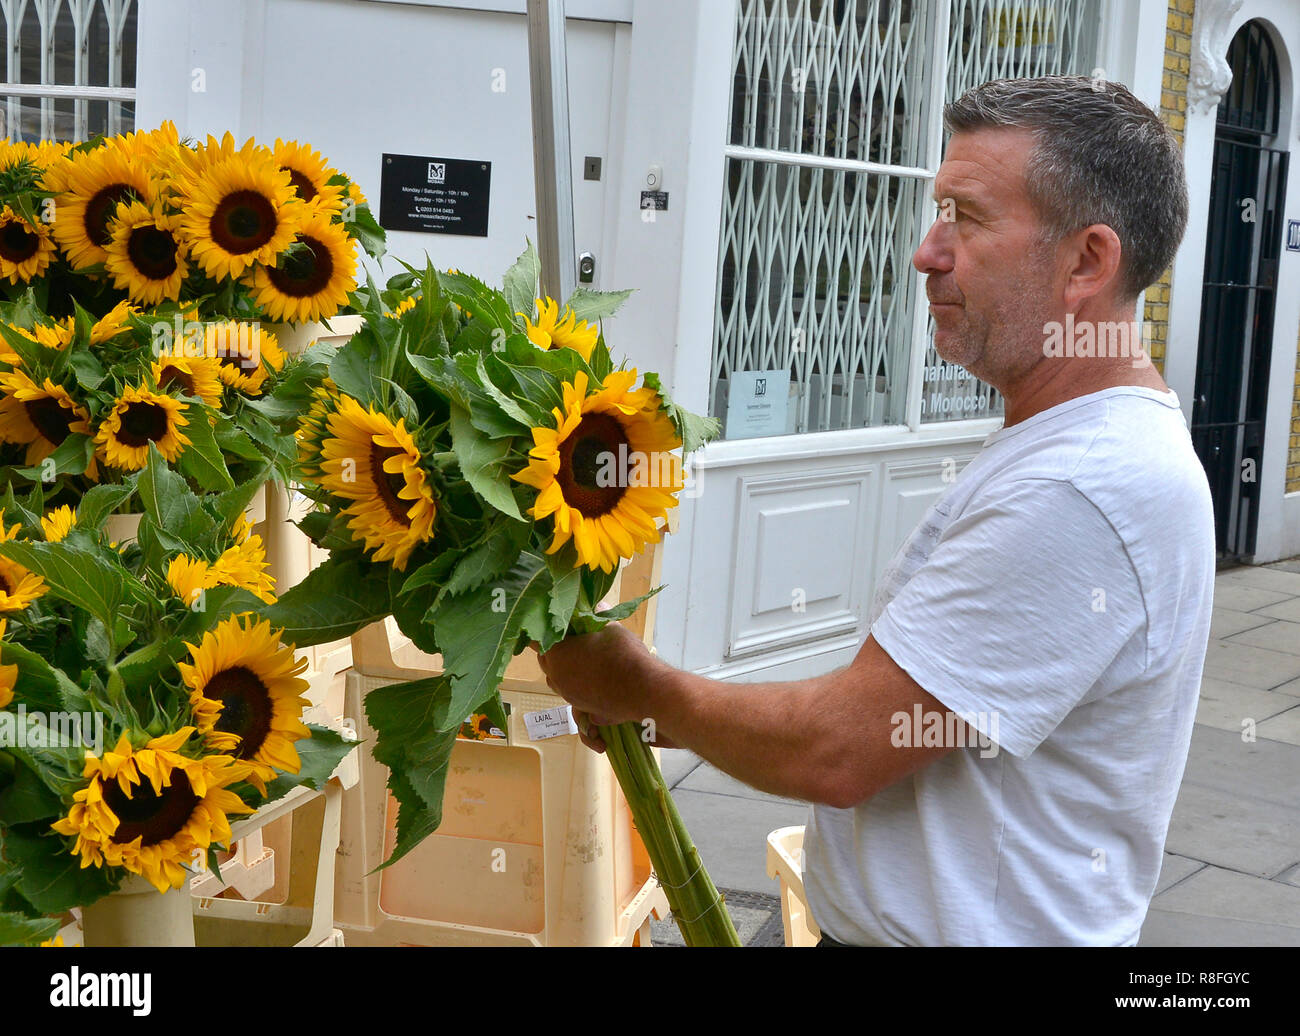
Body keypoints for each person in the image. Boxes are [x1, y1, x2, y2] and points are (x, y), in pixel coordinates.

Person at [536, 75, 1216, 947]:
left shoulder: (1081, 484)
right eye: (938, 213)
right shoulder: (1072, 445)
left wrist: (645, 689)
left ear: (1087, 261)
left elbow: (841, 749)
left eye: (967, 218)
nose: (928, 253)